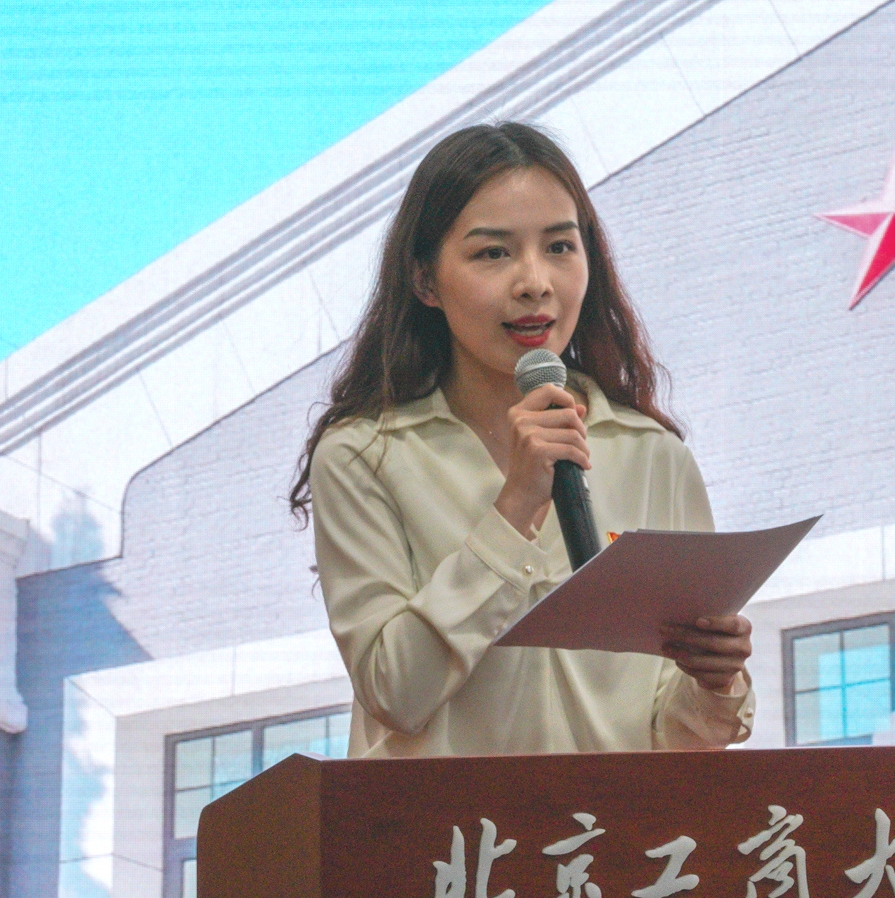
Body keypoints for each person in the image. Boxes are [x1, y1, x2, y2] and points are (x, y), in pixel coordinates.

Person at [289, 122, 755, 759]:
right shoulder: (366, 456)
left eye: (560, 247)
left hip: (610, 822)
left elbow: (677, 743)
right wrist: (513, 511)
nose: (535, 282)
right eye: (493, 254)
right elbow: (394, 691)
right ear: (425, 280)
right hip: (447, 825)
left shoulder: (652, 455)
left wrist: (714, 682)